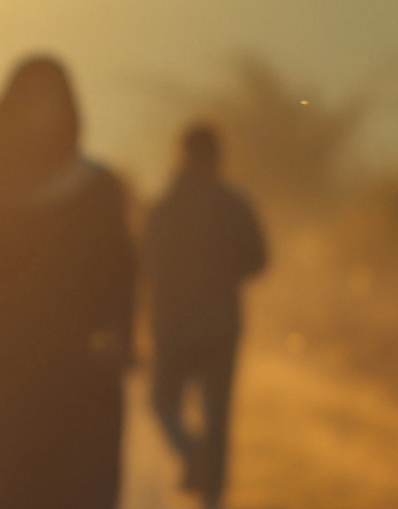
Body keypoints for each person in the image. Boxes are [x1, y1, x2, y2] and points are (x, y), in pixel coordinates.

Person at [0, 56, 136, 509]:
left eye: (51, 102)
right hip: (6, 371)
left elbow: (122, 275)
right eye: (31, 102)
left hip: (80, 377)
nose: (42, 114)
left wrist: (120, 339)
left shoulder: (96, 189)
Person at [142, 123, 269, 509]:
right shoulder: (234, 203)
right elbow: (260, 260)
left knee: (164, 404)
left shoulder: (164, 205)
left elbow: (142, 265)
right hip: (219, 325)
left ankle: (192, 454)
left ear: (180, 153)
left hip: (173, 325)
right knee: (217, 415)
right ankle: (212, 494)